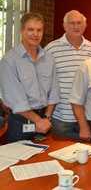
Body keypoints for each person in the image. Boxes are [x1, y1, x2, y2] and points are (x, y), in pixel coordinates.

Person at [0, 12, 59, 142]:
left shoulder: (49, 59)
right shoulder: (9, 60)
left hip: (45, 119)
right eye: (30, 29)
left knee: (43, 159)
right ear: (22, 31)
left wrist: (47, 118)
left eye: (39, 30)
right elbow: (16, 100)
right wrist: (38, 121)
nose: (35, 34)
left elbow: (54, 91)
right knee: (20, 159)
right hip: (20, 121)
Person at [45, 10, 91, 139]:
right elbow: (45, 83)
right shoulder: (51, 49)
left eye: (79, 23)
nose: (76, 26)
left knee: (87, 155)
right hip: (61, 117)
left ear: (85, 25)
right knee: (60, 154)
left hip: (87, 117)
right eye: (72, 23)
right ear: (64, 26)